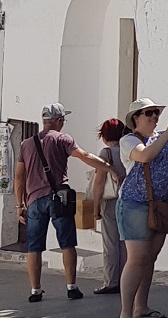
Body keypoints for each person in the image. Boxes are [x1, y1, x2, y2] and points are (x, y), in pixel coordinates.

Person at [13, 102, 112, 302]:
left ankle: (35, 290)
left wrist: (19, 205)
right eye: (63, 120)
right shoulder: (63, 139)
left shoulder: (26, 144)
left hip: (33, 200)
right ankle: (71, 287)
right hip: (59, 198)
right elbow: (83, 156)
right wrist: (108, 167)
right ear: (58, 121)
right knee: (67, 243)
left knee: (34, 247)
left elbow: (18, 177)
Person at [117, 98, 168, 318]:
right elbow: (145, 156)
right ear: (136, 119)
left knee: (150, 257)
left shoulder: (166, 138)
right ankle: (126, 310)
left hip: (161, 204)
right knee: (137, 258)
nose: (154, 116)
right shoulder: (128, 140)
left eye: (156, 113)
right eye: (148, 113)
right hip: (135, 204)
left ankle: (142, 307)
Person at [90, 118, 128, 295]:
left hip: (111, 201)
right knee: (126, 243)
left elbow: (99, 183)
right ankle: (127, 279)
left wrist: (96, 207)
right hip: (129, 200)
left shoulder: (106, 154)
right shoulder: (129, 150)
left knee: (110, 244)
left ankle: (111, 281)